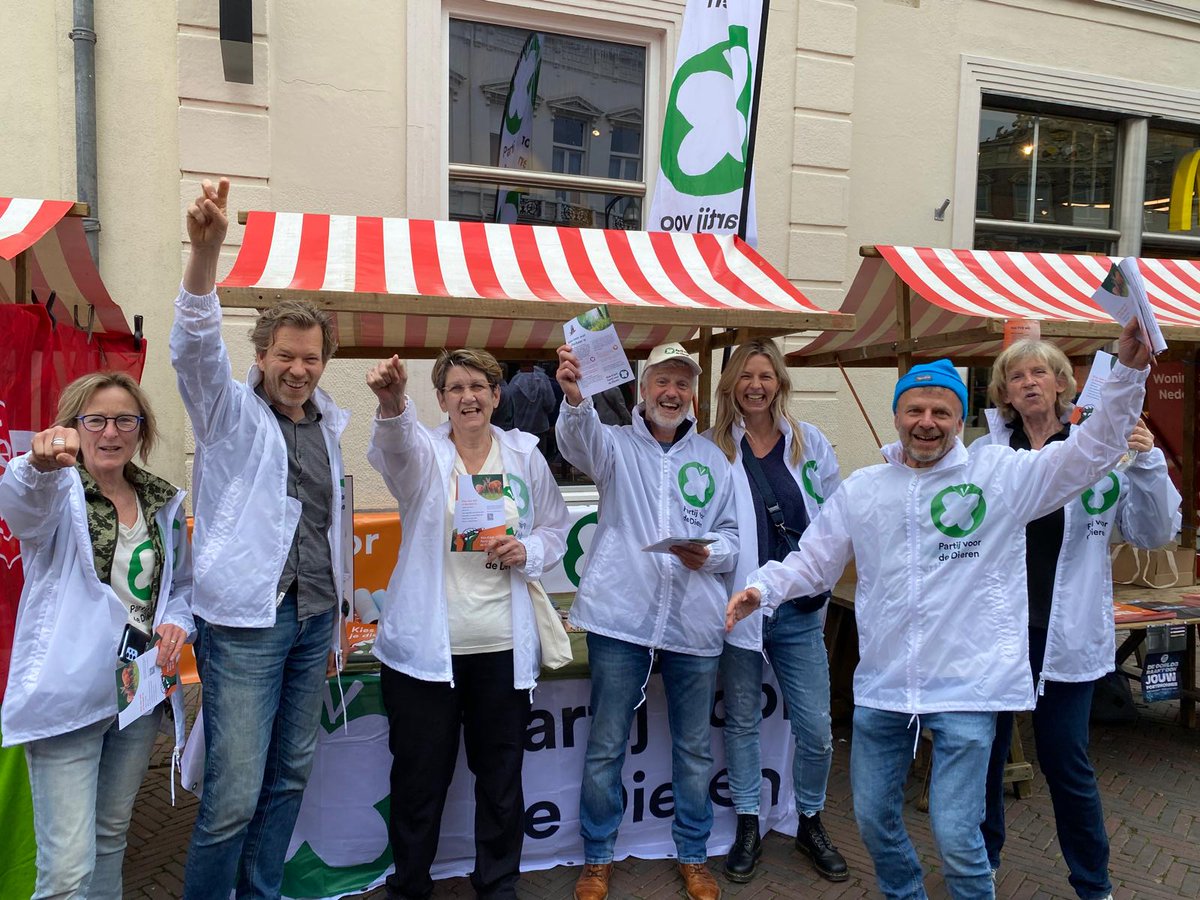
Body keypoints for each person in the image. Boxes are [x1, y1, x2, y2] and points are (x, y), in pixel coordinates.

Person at [726, 320, 1152, 900]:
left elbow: (1092, 452)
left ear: (959, 420)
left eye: (941, 413)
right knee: (875, 822)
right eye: (915, 410)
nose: (926, 423)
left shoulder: (1000, 476)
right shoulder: (864, 488)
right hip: (884, 687)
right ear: (898, 416)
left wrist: (1128, 372)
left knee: (958, 836)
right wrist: (761, 588)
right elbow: (812, 560)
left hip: (968, 690)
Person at [172, 178, 350, 899]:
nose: (298, 369)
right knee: (234, 797)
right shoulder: (230, 414)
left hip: (313, 620)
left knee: (288, 778)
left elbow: (325, 526)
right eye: (286, 355)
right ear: (263, 354)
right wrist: (205, 254)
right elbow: (193, 352)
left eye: (310, 358)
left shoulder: (327, 426)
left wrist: (335, 620)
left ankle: (262, 893)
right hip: (247, 625)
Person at [973, 340, 1179, 900]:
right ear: (1005, 393)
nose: (1029, 383)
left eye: (1040, 372)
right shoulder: (988, 452)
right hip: (999, 633)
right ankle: (982, 863)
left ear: (1063, 383)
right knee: (985, 756)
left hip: (1067, 635)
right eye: (1016, 376)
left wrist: (1149, 461)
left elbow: (1155, 532)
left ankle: (1094, 883)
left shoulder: (1100, 449)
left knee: (1067, 761)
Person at [365, 348, 570, 899]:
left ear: (497, 395)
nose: (468, 397)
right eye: (455, 388)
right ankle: (410, 886)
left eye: (478, 386)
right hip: (425, 656)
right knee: (418, 782)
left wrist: (525, 548)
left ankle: (498, 883)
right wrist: (391, 404)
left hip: (501, 647)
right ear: (440, 400)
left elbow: (555, 528)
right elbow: (394, 452)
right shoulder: (425, 453)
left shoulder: (524, 454)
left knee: (500, 780)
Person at [556, 342, 739, 900]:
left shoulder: (712, 459)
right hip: (622, 616)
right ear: (642, 388)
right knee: (607, 743)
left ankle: (693, 854)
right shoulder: (613, 445)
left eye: (683, 383)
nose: (672, 392)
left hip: (692, 622)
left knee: (694, 748)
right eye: (663, 380)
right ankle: (598, 857)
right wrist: (575, 398)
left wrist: (713, 554)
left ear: (692, 395)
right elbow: (575, 440)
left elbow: (731, 535)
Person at [0, 372, 193, 899]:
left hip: (134, 697)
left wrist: (177, 618)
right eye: (96, 420)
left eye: (125, 420)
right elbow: (21, 507)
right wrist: (35, 465)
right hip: (70, 698)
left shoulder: (160, 500)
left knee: (110, 839)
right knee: (65, 872)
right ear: (73, 427)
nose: (111, 432)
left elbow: (179, 586)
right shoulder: (57, 493)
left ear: (141, 429)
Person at [703, 339, 847, 883]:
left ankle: (809, 817)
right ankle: (747, 820)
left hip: (799, 609)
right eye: (745, 376)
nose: (755, 385)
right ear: (730, 385)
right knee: (742, 721)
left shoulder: (809, 443)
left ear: (780, 381)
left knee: (814, 726)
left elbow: (837, 518)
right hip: (738, 609)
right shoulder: (714, 447)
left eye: (765, 375)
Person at [509, 362, 557, 452]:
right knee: (540, 457)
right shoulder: (542, 380)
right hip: (540, 426)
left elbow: (509, 404)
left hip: (520, 427)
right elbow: (550, 403)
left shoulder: (514, 381)